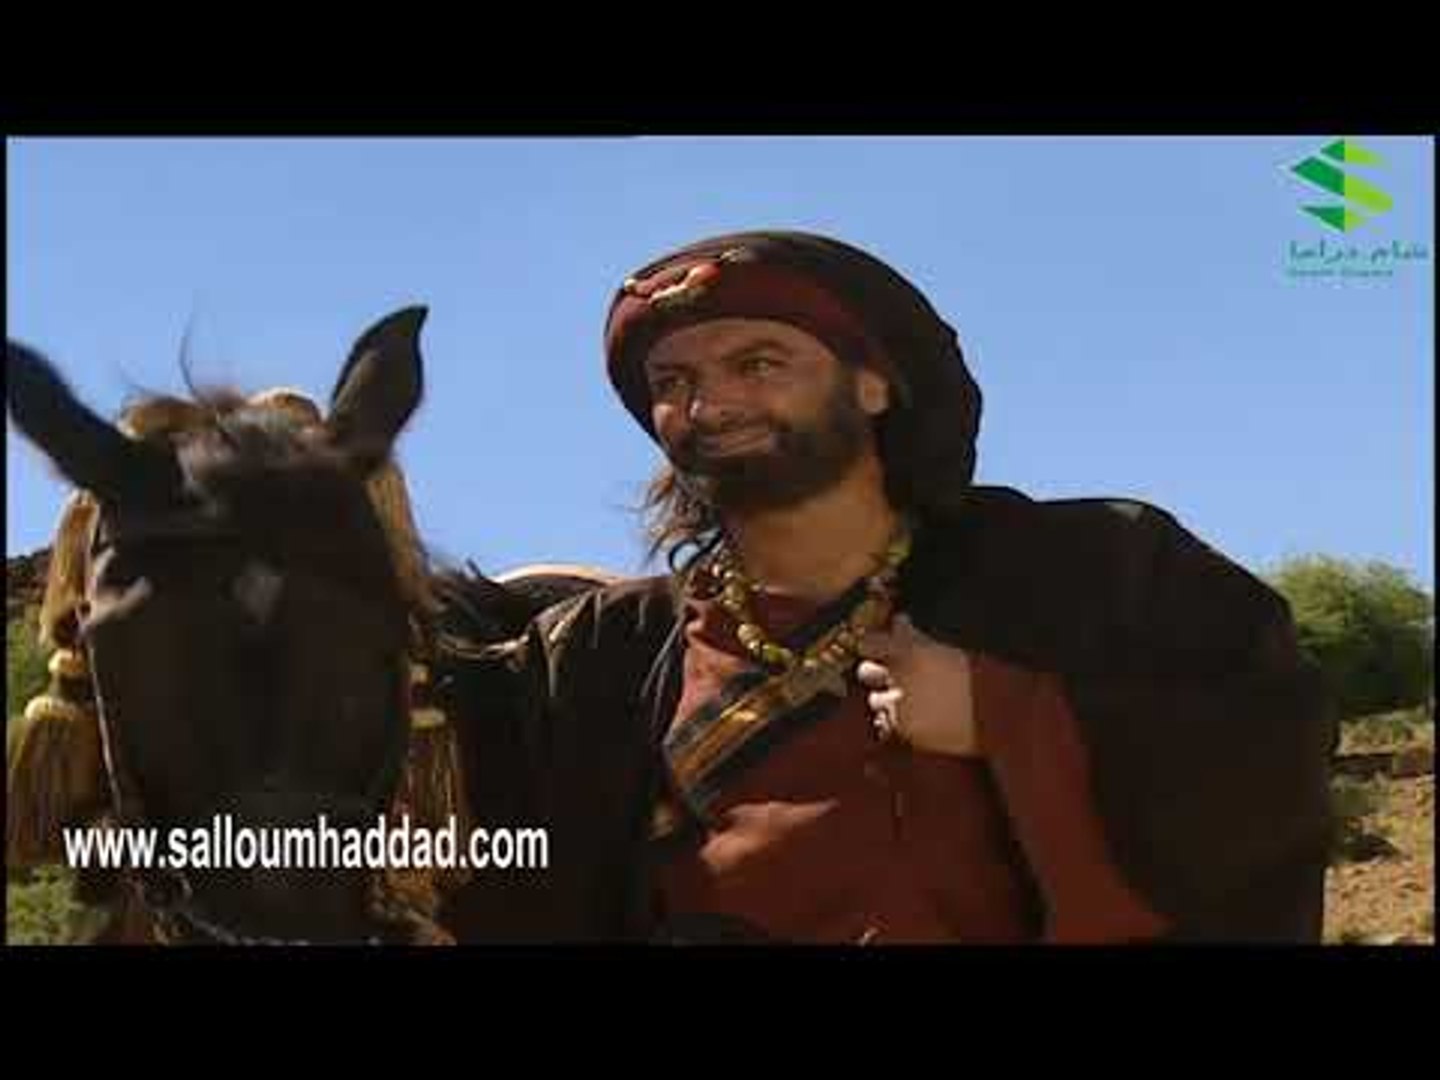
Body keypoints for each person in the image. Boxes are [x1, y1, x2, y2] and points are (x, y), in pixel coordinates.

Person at [433, 229, 1339, 945]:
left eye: (758, 363)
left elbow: (1267, 743)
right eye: (674, 381)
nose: (711, 404)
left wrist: (1008, 716)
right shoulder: (598, 657)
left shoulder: (1095, 570)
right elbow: (437, 819)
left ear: (873, 384)